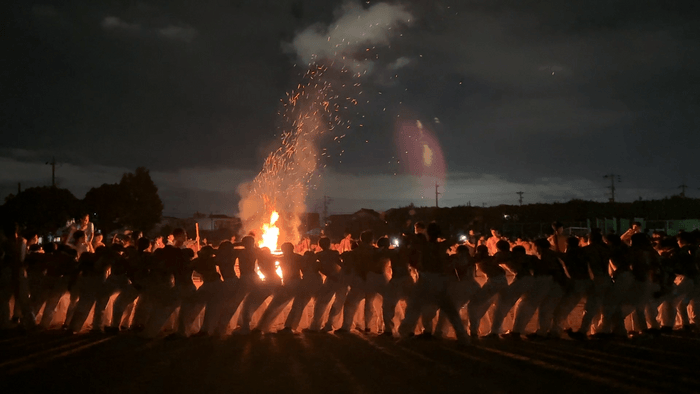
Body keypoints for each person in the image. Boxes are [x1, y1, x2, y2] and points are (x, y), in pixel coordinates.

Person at [399, 223, 470, 345]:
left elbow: (410, 238)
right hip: (440, 279)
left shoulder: (424, 245)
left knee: (413, 307)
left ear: (428, 233)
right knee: (450, 310)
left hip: (427, 278)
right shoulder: (441, 245)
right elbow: (454, 239)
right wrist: (467, 227)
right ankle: (463, 338)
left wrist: (406, 232)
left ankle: (404, 335)